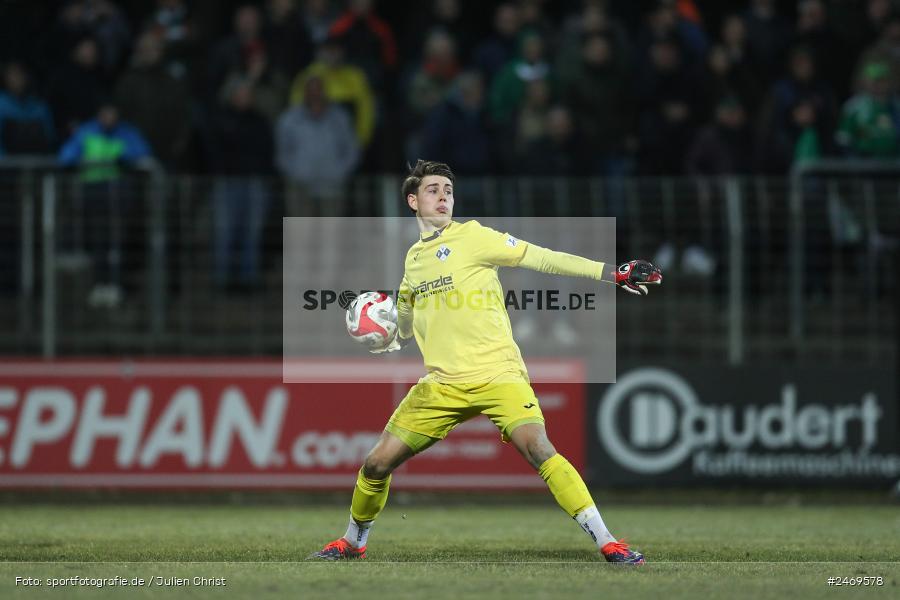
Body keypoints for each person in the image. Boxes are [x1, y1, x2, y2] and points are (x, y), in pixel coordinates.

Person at [310, 159, 662, 563]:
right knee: (375, 465)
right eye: (432, 190)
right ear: (413, 200)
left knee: (539, 449)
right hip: (442, 385)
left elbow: (541, 258)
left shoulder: (474, 237)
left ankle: (608, 542)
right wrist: (387, 334)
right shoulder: (413, 261)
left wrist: (612, 273)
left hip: (498, 374)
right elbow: (405, 323)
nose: (443, 196)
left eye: (448, 190)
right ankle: (353, 542)